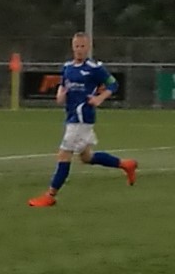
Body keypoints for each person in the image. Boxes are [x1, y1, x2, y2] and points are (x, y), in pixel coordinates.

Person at [26, 32, 138, 207]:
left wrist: (100, 99)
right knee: (86, 157)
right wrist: (60, 96)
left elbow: (113, 84)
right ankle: (125, 164)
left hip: (82, 118)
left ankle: (50, 195)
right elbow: (63, 88)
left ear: (88, 47)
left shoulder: (95, 68)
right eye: (76, 46)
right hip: (71, 117)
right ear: (72, 47)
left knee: (64, 154)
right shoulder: (67, 67)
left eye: (82, 46)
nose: (79, 50)